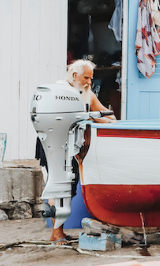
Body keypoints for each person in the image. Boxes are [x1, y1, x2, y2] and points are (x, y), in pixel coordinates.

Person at [48, 60, 114, 245]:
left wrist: (113, 121)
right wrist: (100, 119)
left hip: (74, 146)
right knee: (58, 188)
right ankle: (56, 234)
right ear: (75, 75)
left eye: (91, 78)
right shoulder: (61, 91)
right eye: (86, 77)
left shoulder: (86, 93)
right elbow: (77, 116)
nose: (89, 82)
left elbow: (105, 113)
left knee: (68, 189)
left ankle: (59, 233)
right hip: (55, 145)